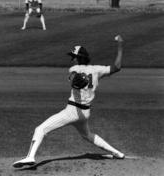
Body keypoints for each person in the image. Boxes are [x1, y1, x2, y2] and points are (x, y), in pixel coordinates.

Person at [13, 35, 125, 168]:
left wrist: (75, 80)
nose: (73, 58)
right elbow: (117, 67)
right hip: (84, 113)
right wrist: (120, 45)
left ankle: (30, 157)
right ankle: (117, 153)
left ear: (79, 58)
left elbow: (72, 78)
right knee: (88, 135)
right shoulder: (97, 70)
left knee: (40, 129)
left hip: (72, 112)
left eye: (74, 56)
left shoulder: (73, 69)